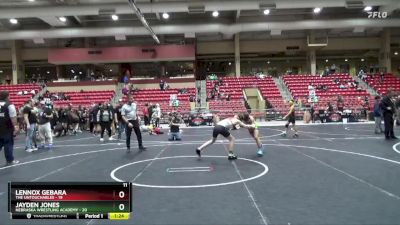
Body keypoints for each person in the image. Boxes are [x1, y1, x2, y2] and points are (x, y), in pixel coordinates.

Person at [0, 91, 19, 165]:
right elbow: (13, 117)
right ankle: (10, 160)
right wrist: (16, 126)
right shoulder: (10, 105)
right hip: (7, 128)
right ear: (7, 96)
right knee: (8, 144)